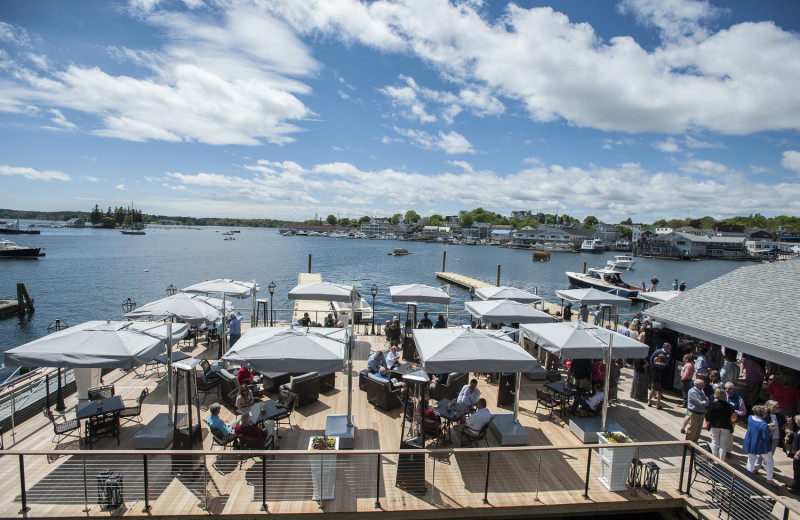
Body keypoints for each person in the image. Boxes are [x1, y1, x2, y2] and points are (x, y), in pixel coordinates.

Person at [743, 405, 778, 487]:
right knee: (769, 461)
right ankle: (769, 480)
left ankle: (748, 476)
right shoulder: (764, 425)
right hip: (762, 445)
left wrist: (767, 426)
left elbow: (756, 426)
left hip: (751, 442)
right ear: (764, 414)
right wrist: (771, 432)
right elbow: (766, 437)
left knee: (751, 458)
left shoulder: (750, 418)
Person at [706, 387, 735, 460]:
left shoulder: (713, 404)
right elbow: (732, 417)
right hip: (726, 426)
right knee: (723, 444)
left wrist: (707, 424)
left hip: (715, 425)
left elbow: (708, 416)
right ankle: (721, 461)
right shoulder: (730, 406)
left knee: (714, 442)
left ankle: (712, 459)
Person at [725, 382, 747, 458]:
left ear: (733, 389)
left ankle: (728, 451)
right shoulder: (722, 395)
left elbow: (743, 412)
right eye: (726, 388)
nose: (727, 390)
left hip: (731, 420)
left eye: (729, 388)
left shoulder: (739, 398)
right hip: (722, 418)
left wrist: (733, 410)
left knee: (729, 436)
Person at [787, 416, 800, 494]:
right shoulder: (799, 429)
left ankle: (797, 489)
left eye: (797, 422)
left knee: (799, 472)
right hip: (795, 452)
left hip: (799, 455)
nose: (796, 423)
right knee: (796, 470)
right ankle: (795, 484)